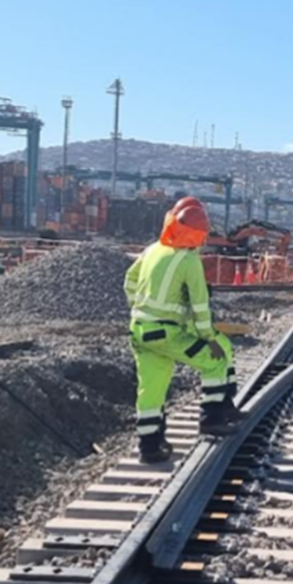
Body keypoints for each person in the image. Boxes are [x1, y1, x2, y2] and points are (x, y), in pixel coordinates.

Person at [125, 197, 244, 462]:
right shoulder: (189, 260)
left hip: (140, 330)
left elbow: (129, 280)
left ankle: (149, 447)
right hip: (167, 333)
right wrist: (209, 338)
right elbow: (200, 307)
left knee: (151, 389)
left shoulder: (153, 250)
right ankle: (212, 419)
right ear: (197, 235)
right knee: (215, 362)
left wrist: (139, 307)